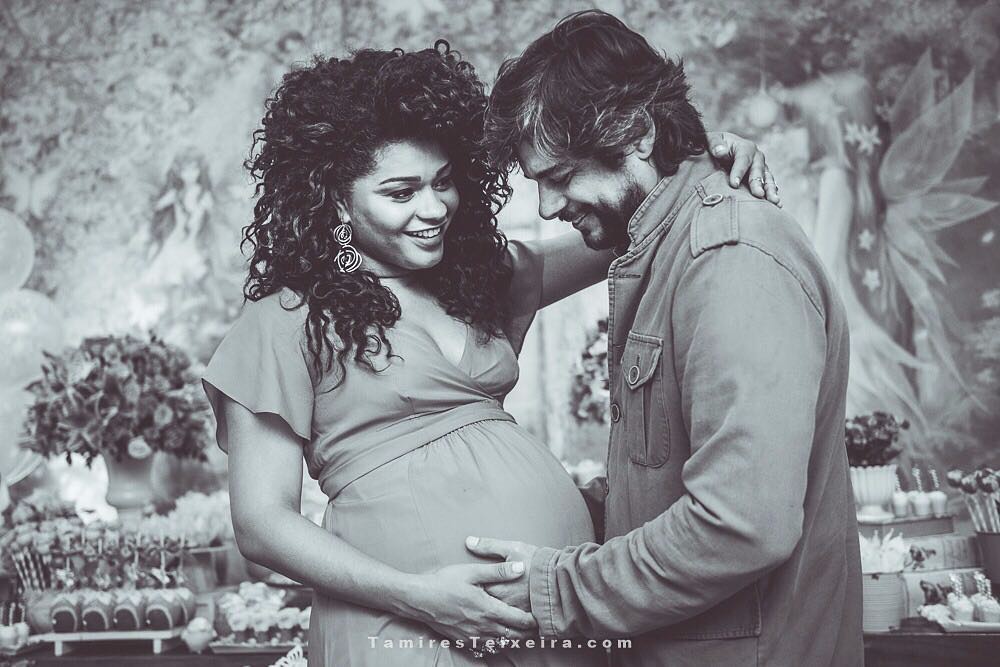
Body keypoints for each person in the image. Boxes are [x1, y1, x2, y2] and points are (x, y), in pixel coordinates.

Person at [202, 41, 775, 666]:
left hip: (544, 627)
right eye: (400, 192)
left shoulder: (478, 282)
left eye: (443, 182)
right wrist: (420, 597)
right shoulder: (286, 322)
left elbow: (630, 222)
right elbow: (261, 525)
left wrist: (699, 164)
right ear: (336, 200)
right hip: (405, 626)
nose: (433, 209)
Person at [468, 11, 863, 667]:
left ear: (638, 133)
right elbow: (672, 487)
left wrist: (554, 586)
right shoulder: (666, 245)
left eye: (560, 177)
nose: (544, 207)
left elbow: (743, 525)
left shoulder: (730, 258)